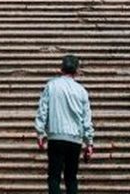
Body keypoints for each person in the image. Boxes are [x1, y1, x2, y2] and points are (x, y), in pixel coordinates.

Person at [35, 54, 95, 194]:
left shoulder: (51, 86)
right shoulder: (81, 91)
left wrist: (40, 133)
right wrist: (89, 142)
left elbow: (42, 111)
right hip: (75, 139)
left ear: (61, 69)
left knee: (54, 177)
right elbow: (86, 119)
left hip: (56, 137)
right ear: (76, 71)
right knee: (71, 178)